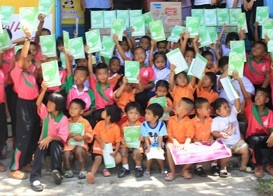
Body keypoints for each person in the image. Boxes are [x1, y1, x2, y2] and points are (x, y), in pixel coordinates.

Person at [9, 29, 41, 180]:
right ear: (19, 60)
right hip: (23, 105)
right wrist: (27, 40)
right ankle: (14, 167)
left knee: (32, 134)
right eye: (28, 60)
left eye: (30, 60)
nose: (30, 62)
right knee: (22, 136)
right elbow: (23, 57)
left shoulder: (30, 73)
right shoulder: (17, 71)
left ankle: (26, 161)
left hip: (33, 105)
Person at [29, 82, 68, 192]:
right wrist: (44, 90)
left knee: (56, 144)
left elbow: (62, 137)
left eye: (52, 103)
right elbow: (38, 103)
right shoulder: (46, 113)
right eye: (49, 102)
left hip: (55, 144)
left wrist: (50, 138)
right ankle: (35, 178)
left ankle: (57, 172)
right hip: (44, 143)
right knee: (40, 148)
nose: (49, 104)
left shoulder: (63, 119)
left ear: (59, 106)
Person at [237, 72, 273, 178]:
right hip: (252, 138)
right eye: (256, 95)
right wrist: (239, 80)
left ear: (266, 100)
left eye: (261, 96)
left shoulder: (270, 112)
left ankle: (270, 165)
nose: (257, 97)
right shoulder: (250, 107)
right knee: (255, 140)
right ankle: (259, 166)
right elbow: (246, 96)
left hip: (265, 138)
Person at [211, 95, 251, 178]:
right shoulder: (216, 120)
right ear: (218, 111)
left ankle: (243, 166)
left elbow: (237, 104)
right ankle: (223, 168)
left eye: (228, 106)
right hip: (224, 144)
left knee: (245, 148)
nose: (228, 108)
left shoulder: (233, 114)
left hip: (237, 142)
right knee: (226, 153)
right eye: (225, 108)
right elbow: (214, 132)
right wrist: (220, 134)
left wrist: (235, 95)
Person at [86, 105, 122, 184]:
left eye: (104, 111)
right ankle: (92, 174)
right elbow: (95, 134)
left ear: (109, 117)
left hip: (110, 148)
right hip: (98, 145)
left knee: (118, 158)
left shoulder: (116, 127)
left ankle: (106, 168)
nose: (102, 112)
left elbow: (118, 141)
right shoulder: (100, 123)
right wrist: (101, 142)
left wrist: (116, 151)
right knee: (98, 159)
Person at [164, 98, 195, 181]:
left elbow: (189, 136)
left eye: (178, 105)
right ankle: (172, 172)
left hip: (185, 143)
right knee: (169, 147)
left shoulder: (189, 122)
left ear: (184, 111)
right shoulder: (171, 119)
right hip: (172, 141)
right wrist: (174, 140)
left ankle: (185, 169)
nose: (176, 105)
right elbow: (169, 133)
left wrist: (186, 145)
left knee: (193, 150)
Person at [63, 98, 93, 179]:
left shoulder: (85, 122)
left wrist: (82, 137)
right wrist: (68, 135)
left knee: (79, 151)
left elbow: (90, 134)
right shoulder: (66, 121)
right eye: (71, 108)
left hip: (81, 144)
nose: (72, 110)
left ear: (81, 111)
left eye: (75, 108)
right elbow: (62, 133)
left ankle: (83, 170)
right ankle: (68, 170)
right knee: (66, 153)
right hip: (69, 144)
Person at [65, 53, 96, 128]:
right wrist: (66, 55)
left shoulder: (89, 92)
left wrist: (85, 114)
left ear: (86, 78)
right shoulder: (70, 88)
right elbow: (69, 72)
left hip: (84, 116)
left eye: (81, 76)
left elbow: (93, 107)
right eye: (76, 75)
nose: (78, 78)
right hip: (70, 115)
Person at [118, 102, 144, 178]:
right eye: (131, 113)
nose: (133, 115)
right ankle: (125, 168)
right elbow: (120, 136)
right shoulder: (123, 125)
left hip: (137, 145)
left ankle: (138, 168)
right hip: (126, 144)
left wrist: (142, 138)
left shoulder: (141, 125)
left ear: (139, 115)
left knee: (138, 153)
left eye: (136, 113)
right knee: (123, 151)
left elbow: (144, 136)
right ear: (126, 113)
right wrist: (122, 140)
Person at [141, 103, 167, 177]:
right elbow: (146, 137)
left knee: (159, 155)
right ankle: (148, 170)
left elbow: (160, 137)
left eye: (148, 114)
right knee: (150, 155)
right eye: (146, 113)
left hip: (159, 144)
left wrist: (159, 147)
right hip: (148, 144)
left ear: (156, 117)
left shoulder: (162, 124)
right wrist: (148, 148)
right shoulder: (144, 124)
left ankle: (162, 169)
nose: (146, 115)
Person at [134, 46, 155, 112]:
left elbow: (152, 84)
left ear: (146, 56)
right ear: (134, 57)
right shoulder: (131, 67)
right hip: (133, 90)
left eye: (142, 53)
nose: (139, 55)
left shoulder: (149, 68)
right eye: (137, 54)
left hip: (144, 91)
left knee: (141, 97)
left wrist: (142, 87)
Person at [0, 68, 7, 172]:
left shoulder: (1, 72)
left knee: (2, 130)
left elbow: (3, 90)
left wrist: (6, 108)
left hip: (1, 104)